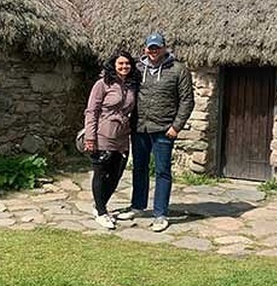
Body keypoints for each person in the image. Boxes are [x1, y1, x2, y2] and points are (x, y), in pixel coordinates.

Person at [116, 32, 194, 232]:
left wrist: (176, 126)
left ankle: (160, 214)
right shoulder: (137, 69)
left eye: (157, 47)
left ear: (164, 48)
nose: (153, 51)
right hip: (140, 128)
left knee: (162, 171)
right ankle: (138, 206)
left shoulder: (178, 70)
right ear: (145, 49)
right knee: (139, 169)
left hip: (164, 129)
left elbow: (187, 100)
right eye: (150, 48)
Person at [83, 50, 140, 229]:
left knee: (116, 174)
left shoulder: (131, 86)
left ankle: (99, 204)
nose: (124, 67)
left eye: (127, 64)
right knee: (101, 172)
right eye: (120, 64)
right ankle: (101, 212)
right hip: (103, 133)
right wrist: (90, 137)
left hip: (122, 135)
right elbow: (92, 111)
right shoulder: (102, 84)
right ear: (114, 66)